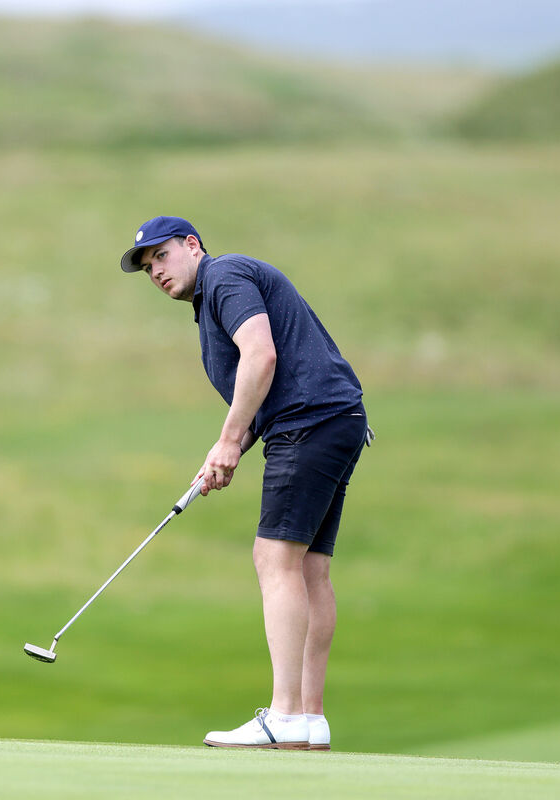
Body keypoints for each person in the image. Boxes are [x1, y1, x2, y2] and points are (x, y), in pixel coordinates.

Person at [119, 216, 371, 750]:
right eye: (146, 267)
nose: (155, 271)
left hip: (310, 422)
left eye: (161, 256)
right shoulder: (212, 300)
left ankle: (283, 715)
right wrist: (224, 453)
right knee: (309, 568)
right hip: (333, 419)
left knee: (273, 558)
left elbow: (262, 356)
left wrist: (228, 441)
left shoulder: (225, 277)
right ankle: (308, 719)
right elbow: (261, 392)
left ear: (192, 246)